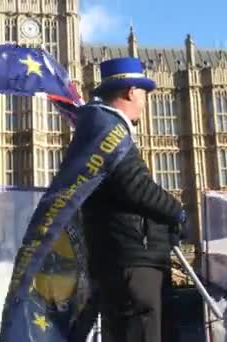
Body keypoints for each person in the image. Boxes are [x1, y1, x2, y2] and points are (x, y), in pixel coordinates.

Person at [79, 57, 187, 342]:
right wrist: (176, 212)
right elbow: (135, 186)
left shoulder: (103, 127)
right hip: (131, 262)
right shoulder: (109, 131)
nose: (144, 102)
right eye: (143, 94)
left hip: (124, 259)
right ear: (129, 92)